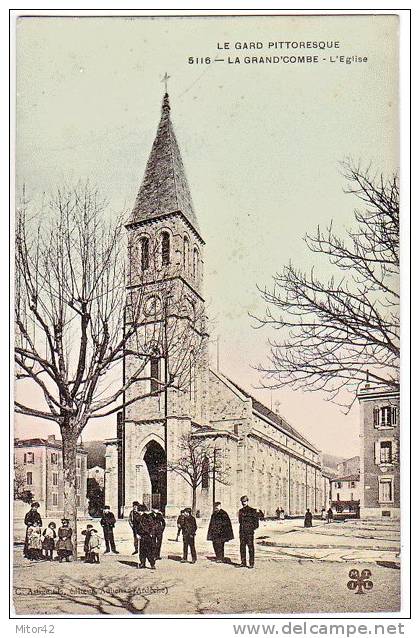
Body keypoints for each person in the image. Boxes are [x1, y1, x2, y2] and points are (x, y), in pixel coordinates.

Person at [238, 495, 259, 569]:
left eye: (245, 501)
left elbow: (256, 523)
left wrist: (251, 529)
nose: (243, 503)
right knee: (242, 548)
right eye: (242, 502)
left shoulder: (252, 511)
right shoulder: (240, 511)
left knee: (250, 548)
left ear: (247, 501)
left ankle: (251, 563)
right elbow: (240, 521)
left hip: (249, 533)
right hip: (242, 533)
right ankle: (243, 562)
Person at [133, 504, 156, 569]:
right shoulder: (137, 517)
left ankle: (152, 564)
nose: (138, 512)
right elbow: (135, 527)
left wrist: (151, 533)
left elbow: (152, 526)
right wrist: (137, 534)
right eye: (138, 510)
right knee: (142, 551)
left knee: (149, 550)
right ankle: (142, 563)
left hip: (147, 535)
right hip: (141, 536)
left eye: (139, 510)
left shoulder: (148, 517)